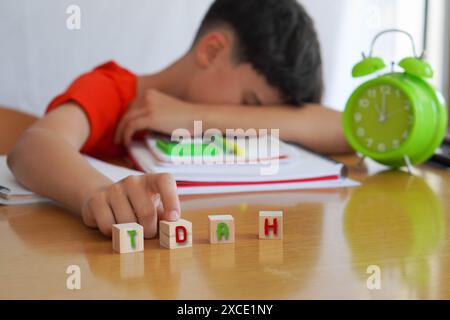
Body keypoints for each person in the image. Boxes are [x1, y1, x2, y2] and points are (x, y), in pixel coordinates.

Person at [7, 0, 350, 238]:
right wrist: (96, 192)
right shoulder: (115, 91)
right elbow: (35, 146)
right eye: (250, 104)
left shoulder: (201, 122)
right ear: (212, 51)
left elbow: (342, 129)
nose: (248, 120)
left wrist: (194, 117)